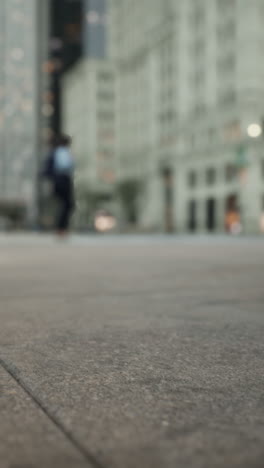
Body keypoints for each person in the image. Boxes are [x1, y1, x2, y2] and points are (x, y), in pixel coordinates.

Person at [53, 135, 75, 236]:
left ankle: (61, 228)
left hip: (60, 179)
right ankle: (61, 228)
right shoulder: (62, 152)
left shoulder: (58, 151)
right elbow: (65, 165)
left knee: (65, 204)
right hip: (63, 179)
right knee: (67, 204)